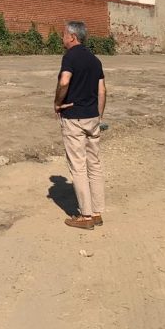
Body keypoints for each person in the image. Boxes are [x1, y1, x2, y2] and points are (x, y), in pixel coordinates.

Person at [54, 21, 106, 230]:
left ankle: (85, 216)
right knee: (94, 164)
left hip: (74, 118)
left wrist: (57, 103)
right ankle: (97, 212)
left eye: (64, 34)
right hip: (92, 117)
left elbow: (64, 81)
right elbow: (102, 91)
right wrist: (98, 116)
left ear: (72, 37)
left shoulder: (70, 57)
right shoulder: (95, 60)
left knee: (78, 166)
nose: (62, 38)